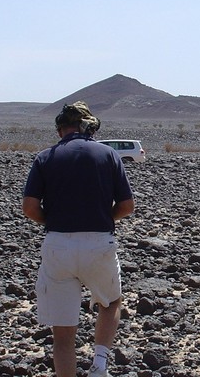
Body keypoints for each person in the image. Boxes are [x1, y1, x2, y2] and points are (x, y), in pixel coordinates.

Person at [20, 102, 137, 376]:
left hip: (58, 245)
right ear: (87, 127)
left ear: (61, 129)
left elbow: (29, 207)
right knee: (110, 303)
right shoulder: (108, 155)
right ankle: (99, 365)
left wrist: (51, 221)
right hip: (99, 243)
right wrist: (105, 217)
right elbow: (127, 205)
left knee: (62, 336)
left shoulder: (45, 157)